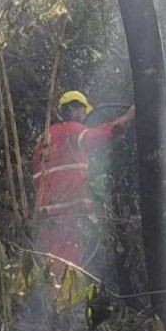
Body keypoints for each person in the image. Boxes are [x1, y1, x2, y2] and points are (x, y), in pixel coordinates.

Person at [32, 91, 135, 267]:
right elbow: (98, 137)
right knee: (69, 268)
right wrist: (126, 118)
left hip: (46, 215)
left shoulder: (45, 138)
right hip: (70, 213)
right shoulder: (71, 129)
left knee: (49, 265)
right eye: (84, 111)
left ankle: (51, 293)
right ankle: (66, 294)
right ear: (77, 109)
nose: (85, 116)